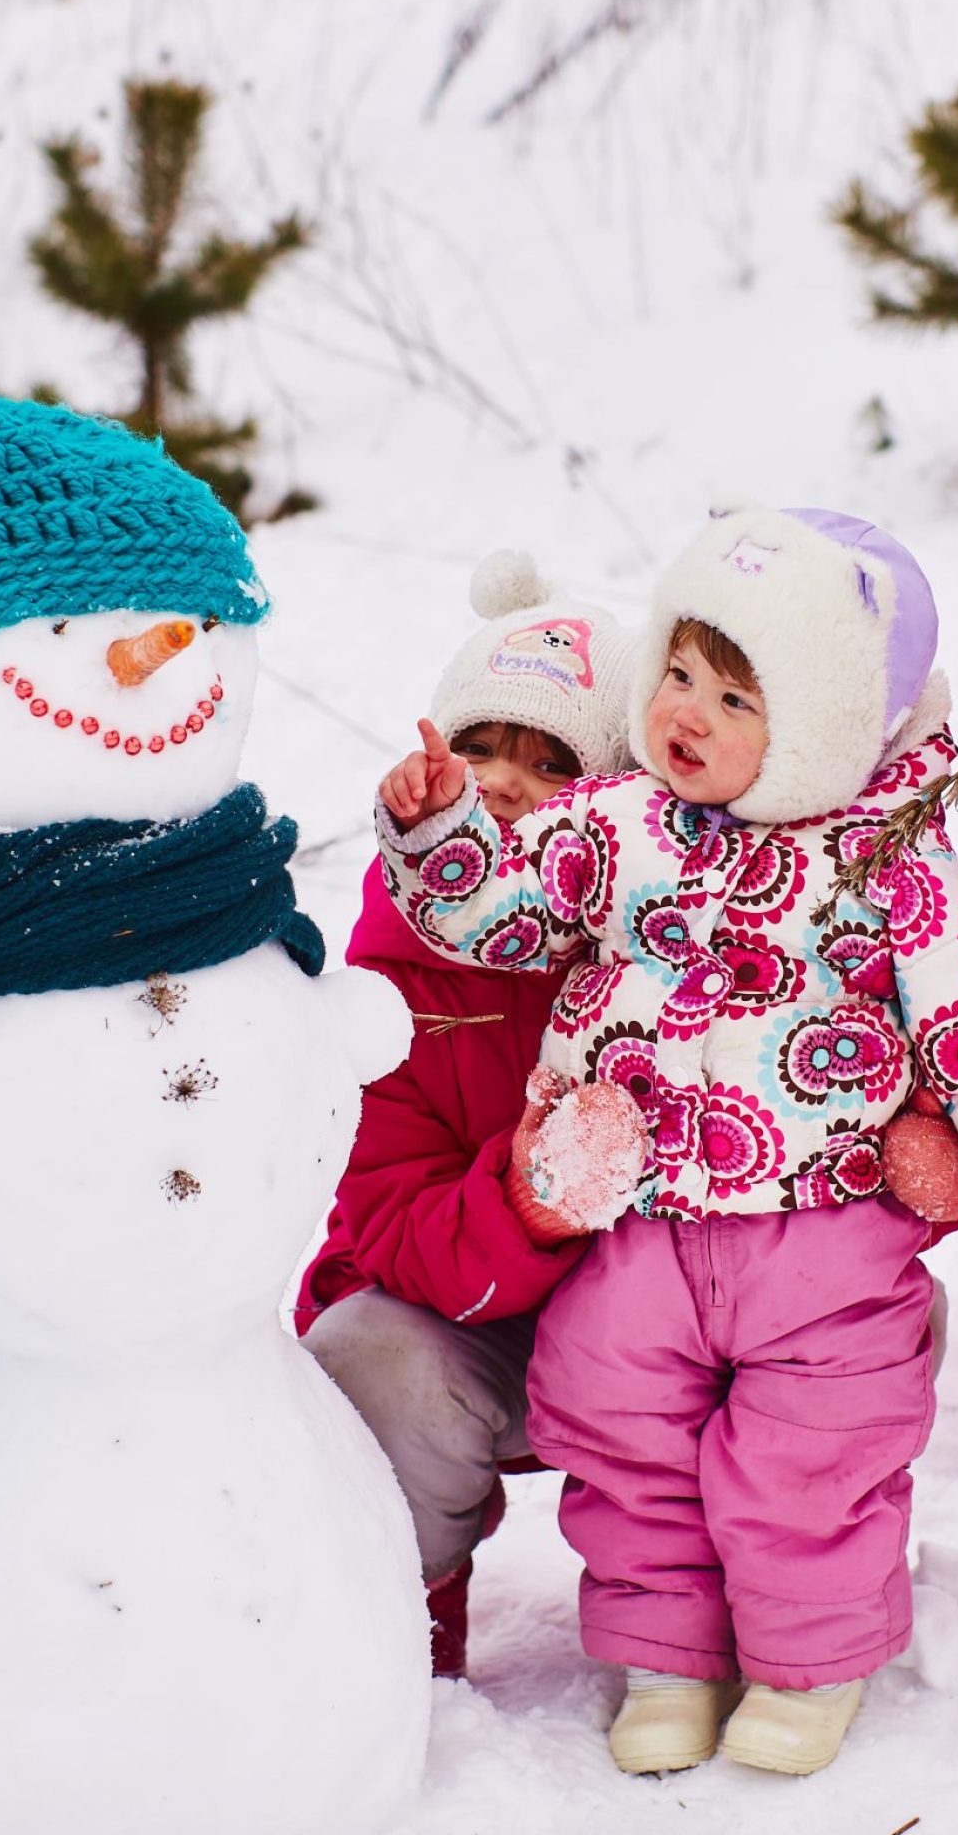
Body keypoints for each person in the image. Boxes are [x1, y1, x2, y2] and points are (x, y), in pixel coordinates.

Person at [378, 506, 958, 1775]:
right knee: (619, 1428)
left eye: (736, 694)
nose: (687, 713)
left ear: (823, 722)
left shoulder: (894, 863)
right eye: (675, 672)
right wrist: (444, 834)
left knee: (809, 1452)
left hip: (819, 1231)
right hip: (640, 1224)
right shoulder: (615, 823)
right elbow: (494, 916)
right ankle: (667, 1654)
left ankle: (810, 1660)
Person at [296, 553, 634, 1681]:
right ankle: (401, 1618)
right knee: (364, 1356)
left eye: (553, 761)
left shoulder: (664, 950)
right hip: (470, 1323)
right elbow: (382, 1219)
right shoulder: (393, 976)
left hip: (651, 1330)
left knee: (847, 1314)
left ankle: (720, 1610)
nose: (501, 779)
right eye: (478, 743)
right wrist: (523, 1201)